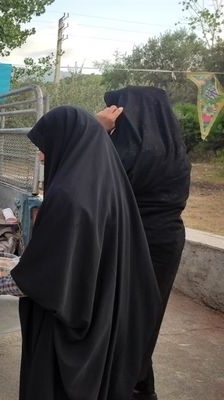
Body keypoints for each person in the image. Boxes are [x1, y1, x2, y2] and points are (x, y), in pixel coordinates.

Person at [0, 106, 162, 400]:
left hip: (69, 322)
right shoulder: (106, 185)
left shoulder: (69, 198)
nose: (41, 156)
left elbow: (46, 279)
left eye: (44, 147)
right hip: (100, 313)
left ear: (66, 144)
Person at [96, 86, 191, 400]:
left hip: (134, 242)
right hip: (166, 241)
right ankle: (141, 388)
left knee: (121, 325)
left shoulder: (128, 154)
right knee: (142, 324)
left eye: (118, 110)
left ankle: (128, 389)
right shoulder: (175, 152)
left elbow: (83, 182)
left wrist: (97, 131)